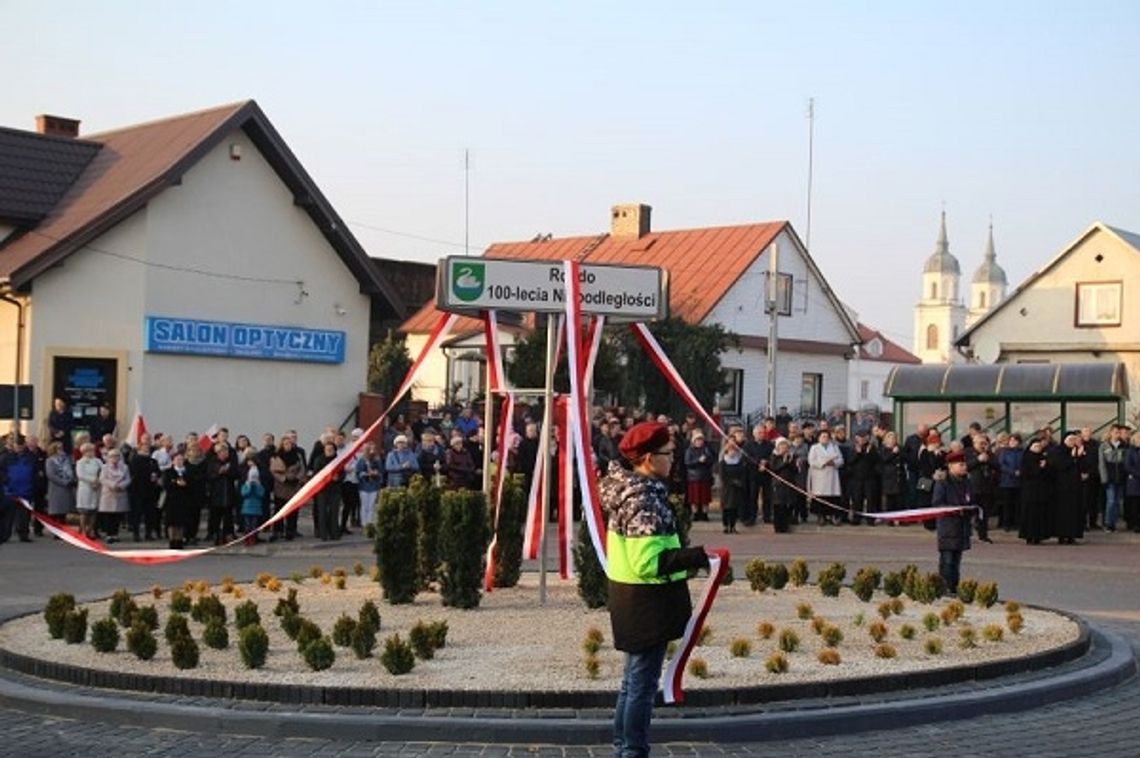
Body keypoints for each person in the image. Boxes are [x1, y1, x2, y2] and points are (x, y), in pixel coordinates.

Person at [600, 421, 710, 757]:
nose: (672, 459)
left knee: (632, 682)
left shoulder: (630, 491)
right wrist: (698, 557)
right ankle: (632, 750)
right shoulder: (643, 499)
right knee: (641, 687)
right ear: (648, 458)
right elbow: (648, 562)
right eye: (668, 454)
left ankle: (623, 747)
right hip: (646, 603)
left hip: (631, 599)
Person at [933, 450, 975, 594]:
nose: (964, 467)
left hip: (962, 528)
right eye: (961, 464)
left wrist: (972, 509)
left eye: (965, 464)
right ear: (951, 466)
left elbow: (971, 500)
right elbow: (937, 504)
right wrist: (955, 509)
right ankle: (943, 588)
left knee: (956, 562)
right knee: (947, 561)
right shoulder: (943, 483)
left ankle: (954, 588)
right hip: (948, 528)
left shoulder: (967, 482)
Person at [269, 436, 306, 540]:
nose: (288, 445)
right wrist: (284, 478)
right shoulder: (277, 456)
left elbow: (302, 468)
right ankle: (278, 530)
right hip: (281, 486)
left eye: (289, 443)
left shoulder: (297, 455)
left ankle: (291, 530)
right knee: (279, 509)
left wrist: (297, 478)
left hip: (294, 486)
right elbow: (273, 470)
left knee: (293, 510)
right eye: (285, 444)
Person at [1019, 438, 1052, 545]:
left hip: (1041, 491)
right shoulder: (1026, 458)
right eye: (1035, 446)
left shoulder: (1043, 458)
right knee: (1030, 514)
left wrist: (1044, 468)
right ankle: (1029, 536)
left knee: (1040, 514)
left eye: (1039, 446)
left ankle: (1039, 536)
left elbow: (1049, 473)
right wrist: (1039, 468)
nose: (1038, 448)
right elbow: (1027, 473)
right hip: (1030, 490)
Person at [807, 429, 844, 525]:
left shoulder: (835, 447)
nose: (825, 438)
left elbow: (841, 460)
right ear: (819, 438)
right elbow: (811, 461)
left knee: (833, 497)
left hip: (832, 476)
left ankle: (833, 516)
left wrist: (834, 463)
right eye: (823, 436)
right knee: (821, 497)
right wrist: (823, 463)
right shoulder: (814, 448)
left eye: (827, 437)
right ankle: (821, 516)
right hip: (820, 476)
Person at [96, 448, 130, 543]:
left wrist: (121, 486)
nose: (114, 458)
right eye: (112, 456)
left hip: (120, 493)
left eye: (116, 456)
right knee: (108, 515)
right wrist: (113, 485)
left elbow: (128, 479)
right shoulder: (104, 467)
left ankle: (115, 534)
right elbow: (102, 479)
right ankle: (109, 534)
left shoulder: (125, 467)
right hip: (109, 493)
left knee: (117, 516)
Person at [311, 440, 342, 540]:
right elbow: (316, 474)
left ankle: (334, 533)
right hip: (322, 490)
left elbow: (342, 472)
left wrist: (339, 478)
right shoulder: (319, 460)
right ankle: (323, 534)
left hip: (335, 490)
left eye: (331, 449)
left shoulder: (338, 460)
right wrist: (328, 478)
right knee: (322, 513)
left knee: (334, 512)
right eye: (327, 449)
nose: (329, 451)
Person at [1099, 425, 1127, 533]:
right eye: (1115, 432)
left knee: (1117, 502)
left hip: (1120, 477)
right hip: (1109, 477)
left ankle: (1113, 523)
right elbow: (1101, 463)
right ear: (1110, 433)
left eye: (1119, 432)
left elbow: (1124, 461)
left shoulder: (1123, 445)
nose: (1117, 434)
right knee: (1110, 501)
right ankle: (1107, 523)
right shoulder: (1104, 446)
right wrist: (1104, 478)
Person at [163, 452, 192, 550]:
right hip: (172, 500)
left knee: (181, 522)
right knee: (172, 522)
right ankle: (172, 540)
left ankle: (180, 540)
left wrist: (185, 484)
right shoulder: (168, 472)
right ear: (173, 461)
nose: (179, 461)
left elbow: (192, 484)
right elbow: (166, 484)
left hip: (184, 500)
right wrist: (176, 483)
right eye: (177, 459)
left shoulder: (187, 471)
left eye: (181, 459)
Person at [718, 430, 746, 534]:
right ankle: (726, 526)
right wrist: (731, 482)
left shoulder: (739, 461)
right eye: (730, 450)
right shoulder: (723, 462)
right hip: (727, 488)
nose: (732, 452)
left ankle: (733, 526)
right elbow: (722, 476)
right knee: (726, 508)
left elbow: (742, 473)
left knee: (734, 508)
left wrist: (739, 482)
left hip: (736, 488)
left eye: (734, 450)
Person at [767, 438, 796, 533]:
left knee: (787, 505)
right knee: (778, 505)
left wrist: (790, 462)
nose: (784, 447)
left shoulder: (791, 456)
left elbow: (795, 470)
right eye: (781, 445)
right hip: (778, 484)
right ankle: (778, 527)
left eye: (785, 445)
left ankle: (786, 526)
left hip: (789, 484)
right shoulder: (774, 456)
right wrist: (784, 462)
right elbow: (774, 468)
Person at [683, 431, 713, 521]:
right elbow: (687, 463)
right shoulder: (689, 451)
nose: (699, 442)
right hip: (693, 477)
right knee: (694, 498)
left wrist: (706, 460)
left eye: (701, 440)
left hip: (705, 477)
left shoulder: (706, 449)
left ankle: (705, 514)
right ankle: (695, 514)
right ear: (693, 441)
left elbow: (711, 461)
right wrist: (698, 461)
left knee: (705, 498)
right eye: (697, 440)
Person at [74, 442, 102, 539]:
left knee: (94, 510)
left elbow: (103, 471)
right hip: (85, 487)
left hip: (96, 487)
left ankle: (91, 529)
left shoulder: (98, 461)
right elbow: (80, 475)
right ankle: (83, 530)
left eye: (92, 450)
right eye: (89, 451)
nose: (92, 452)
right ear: (84, 452)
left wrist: (98, 481)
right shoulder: (80, 462)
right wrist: (93, 481)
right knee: (84, 511)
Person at [44, 440, 76, 525]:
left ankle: (63, 529)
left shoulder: (67, 459)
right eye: (59, 448)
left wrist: (71, 480)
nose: (61, 450)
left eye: (62, 448)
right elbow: (51, 475)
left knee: (64, 511)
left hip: (67, 488)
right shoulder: (50, 460)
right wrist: (63, 482)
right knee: (56, 511)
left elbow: (71, 470)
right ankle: (56, 530)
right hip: (56, 488)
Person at [998, 434, 1024, 531]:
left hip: (1019, 482)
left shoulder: (1022, 452)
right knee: (1007, 504)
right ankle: (1007, 524)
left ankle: (1017, 523)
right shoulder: (1004, 452)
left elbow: (1024, 463)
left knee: (1018, 504)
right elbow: (1001, 465)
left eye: (1015, 440)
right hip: (1007, 481)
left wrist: (1020, 471)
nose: (1013, 442)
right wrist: (1012, 471)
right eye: (1011, 440)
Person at [356, 442, 383, 526]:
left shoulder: (377, 460)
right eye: (367, 450)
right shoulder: (361, 460)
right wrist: (366, 474)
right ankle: (364, 523)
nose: (369, 451)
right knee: (364, 505)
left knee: (371, 506)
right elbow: (358, 472)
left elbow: (381, 471)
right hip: (364, 486)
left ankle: (370, 523)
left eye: (371, 449)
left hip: (374, 485)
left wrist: (376, 473)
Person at [879, 432, 906, 513]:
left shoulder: (900, 448)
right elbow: (884, 459)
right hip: (889, 476)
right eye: (890, 438)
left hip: (899, 475)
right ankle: (890, 519)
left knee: (900, 498)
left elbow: (904, 458)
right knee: (890, 498)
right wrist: (893, 453)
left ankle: (901, 518)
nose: (892, 440)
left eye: (894, 438)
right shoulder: (883, 449)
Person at [239, 466, 266, 546]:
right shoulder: (246, 485)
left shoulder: (259, 485)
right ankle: (246, 539)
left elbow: (261, 494)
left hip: (256, 509)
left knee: (254, 526)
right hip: (247, 509)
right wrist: (250, 487)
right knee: (247, 525)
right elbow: (244, 494)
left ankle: (253, 539)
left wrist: (256, 487)